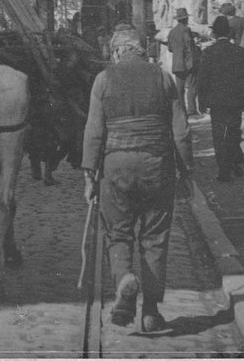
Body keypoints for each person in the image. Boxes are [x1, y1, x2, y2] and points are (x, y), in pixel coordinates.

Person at [82, 24, 192, 332]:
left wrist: (89, 175)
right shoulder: (163, 78)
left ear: (117, 52)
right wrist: (187, 174)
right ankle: (151, 312)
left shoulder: (103, 80)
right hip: (158, 167)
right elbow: (181, 132)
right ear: (143, 50)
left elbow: (94, 132)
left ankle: (124, 279)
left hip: (115, 169)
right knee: (155, 240)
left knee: (118, 234)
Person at [195, 16, 244, 181]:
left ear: (214, 34)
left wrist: (201, 101)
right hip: (236, 99)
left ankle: (224, 169)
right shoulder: (238, 51)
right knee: (233, 131)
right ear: (230, 33)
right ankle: (233, 161)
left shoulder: (208, 52)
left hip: (216, 100)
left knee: (218, 133)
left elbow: (202, 79)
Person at [166, 8, 199, 117]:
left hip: (177, 64)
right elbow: (189, 45)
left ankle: (181, 111)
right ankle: (192, 110)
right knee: (192, 87)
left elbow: (170, 48)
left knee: (179, 90)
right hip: (187, 63)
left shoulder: (172, 32)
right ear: (186, 19)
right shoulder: (186, 30)